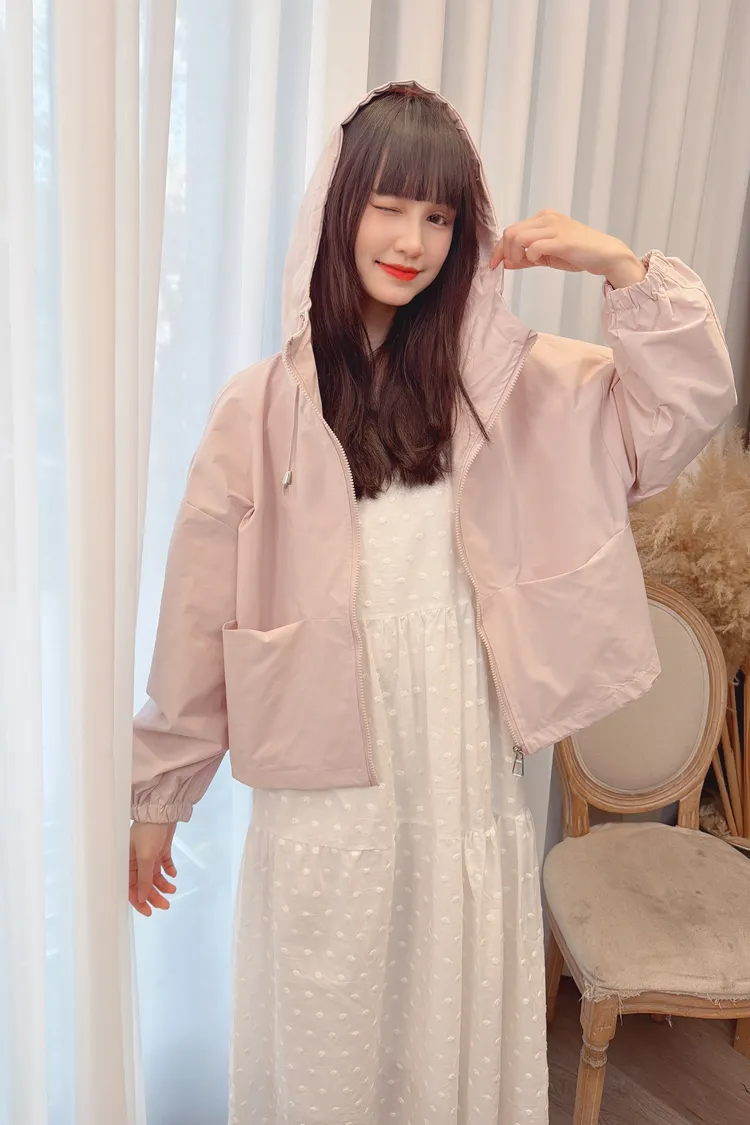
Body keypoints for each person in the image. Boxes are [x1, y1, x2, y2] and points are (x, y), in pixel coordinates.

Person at [129, 82, 736, 1125]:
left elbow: (679, 411)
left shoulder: (513, 387)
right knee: (327, 1016)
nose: (413, 240)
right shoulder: (259, 408)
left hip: (457, 762)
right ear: (340, 209)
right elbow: (196, 612)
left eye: (441, 216)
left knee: (443, 1017)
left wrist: (618, 268)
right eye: (389, 206)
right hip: (323, 771)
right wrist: (159, 796)